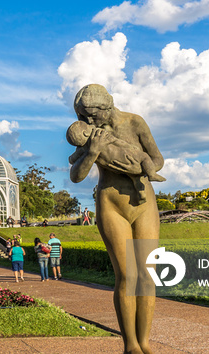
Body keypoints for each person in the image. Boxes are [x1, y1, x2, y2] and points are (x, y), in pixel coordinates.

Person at [69, 84, 163, 354]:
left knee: (147, 275)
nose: (86, 121)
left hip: (144, 202)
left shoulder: (135, 122)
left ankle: (145, 342)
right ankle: (131, 345)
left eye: (90, 115)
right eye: (81, 116)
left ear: (105, 107)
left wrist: (140, 167)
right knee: (126, 275)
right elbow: (76, 175)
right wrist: (92, 151)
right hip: (111, 203)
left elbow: (157, 158)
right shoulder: (88, 134)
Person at [67, 120, 166, 203]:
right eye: (88, 126)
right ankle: (151, 174)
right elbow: (116, 141)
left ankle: (140, 188)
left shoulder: (84, 149)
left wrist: (72, 158)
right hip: (122, 157)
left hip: (111, 164)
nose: (91, 125)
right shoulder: (101, 134)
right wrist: (129, 147)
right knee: (144, 157)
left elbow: (72, 159)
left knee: (131, 173)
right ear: (86, 133)